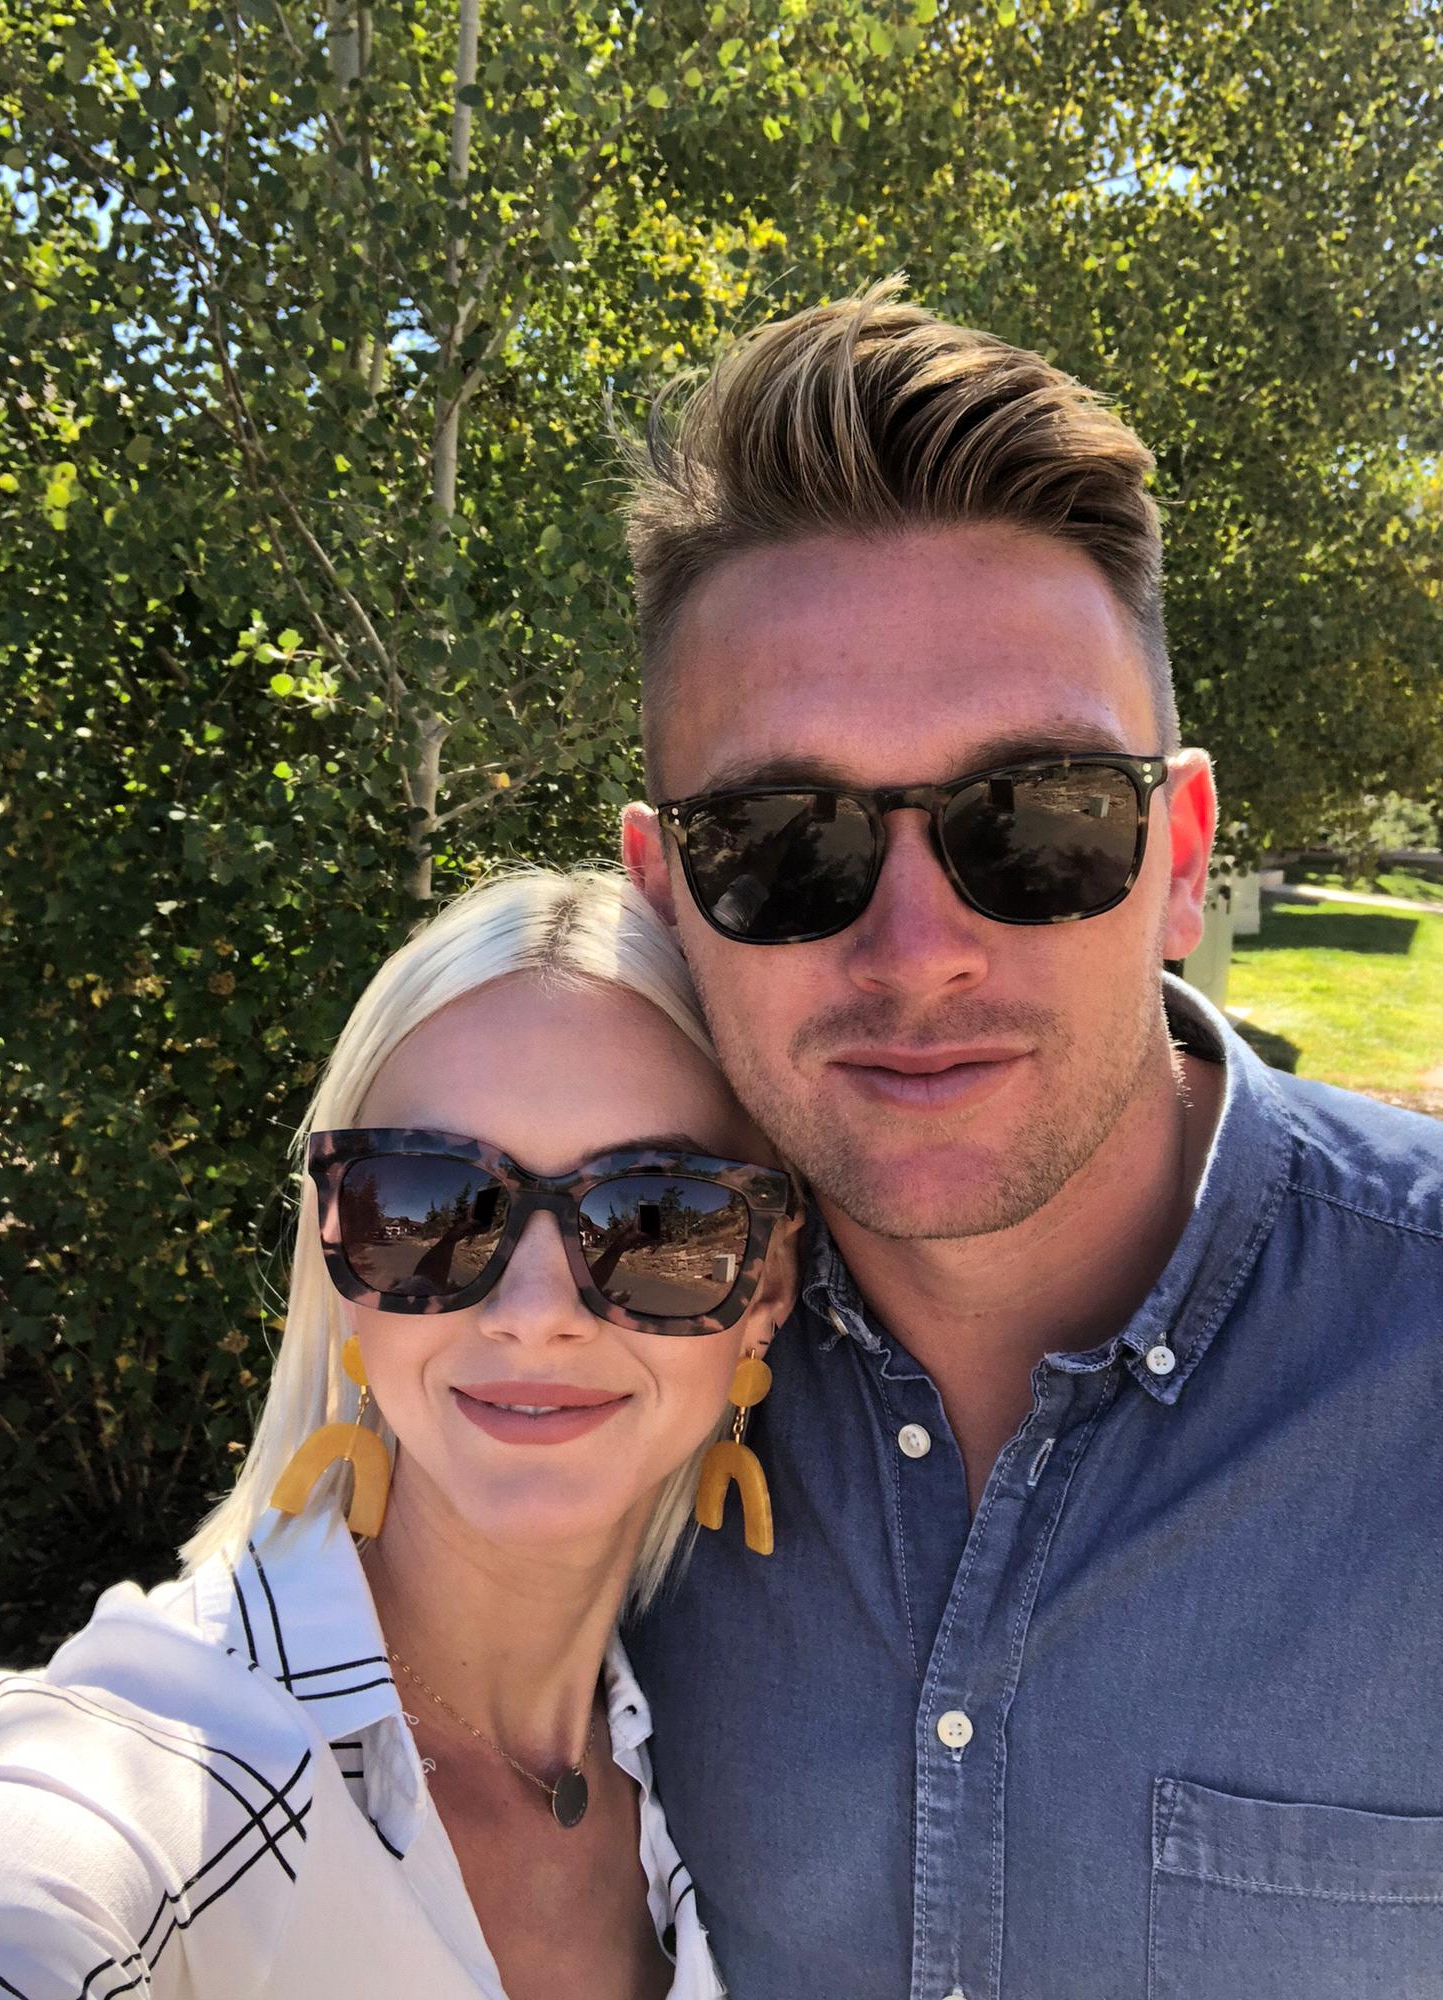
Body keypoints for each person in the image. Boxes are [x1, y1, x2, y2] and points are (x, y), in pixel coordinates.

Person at [619, 280, 1443, 2000]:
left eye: (1039, 821)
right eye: (784, 841)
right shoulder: (576, 1367)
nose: (918, 952)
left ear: (1181, 857)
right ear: (667, 896)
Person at [0, 868, 800, 2000]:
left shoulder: (721, 1756)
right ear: (339, 1258)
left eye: (656, 1217)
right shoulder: (167, 1757)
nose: (534, 1311)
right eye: (429, 1207)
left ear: (765, 1286)